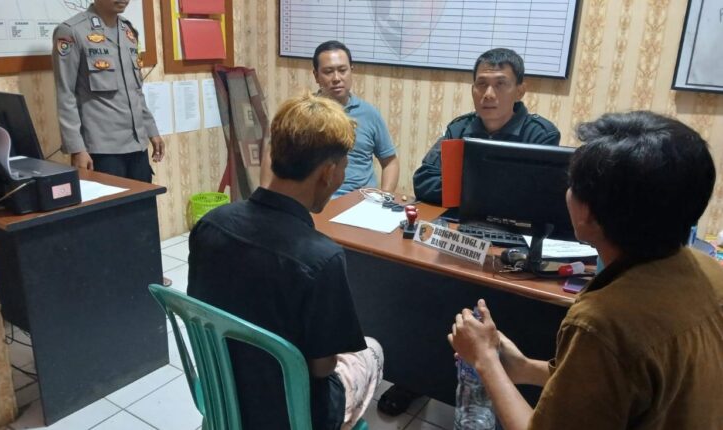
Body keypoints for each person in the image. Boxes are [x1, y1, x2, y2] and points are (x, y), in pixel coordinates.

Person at [448, 111, 723, 429]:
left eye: (571, 185)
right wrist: (523, 367)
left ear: (587, 213)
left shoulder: (604, 323)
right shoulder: (710, 271)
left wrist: (484, 360)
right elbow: (619, 383)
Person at [187, 92, 384, 429]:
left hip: (220, 392)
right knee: (372, 349)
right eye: (344, 167)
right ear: (328, 173)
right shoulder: (322, 259)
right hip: (293, 416)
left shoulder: (209, 224)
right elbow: (323, 368)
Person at [53, 0, 171, 286]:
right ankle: (113, 284)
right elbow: (65, 94)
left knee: (141, 216)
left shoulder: (128, 32)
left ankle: (146, 274)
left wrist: (151, 130)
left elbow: (136, 91)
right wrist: (77, 148)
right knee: (107, 222)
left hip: (135, 145)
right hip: (101, 150)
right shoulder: (71, 32)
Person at [412, 48, 560, 204]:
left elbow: (540, 198)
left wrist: (467, 189)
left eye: (500, 84)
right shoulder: (458, 129)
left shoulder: (540, 135)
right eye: (482, 84)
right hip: (459, 218)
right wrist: (492, 190)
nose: (488, 94)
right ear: (473, 90)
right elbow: (424, 180)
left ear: (520, 91)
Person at [261, 40, 399, 197]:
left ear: (351, 71)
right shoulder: (301, 114)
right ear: (316, 75)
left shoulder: (370, 114)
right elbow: (272, 153)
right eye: (328, 72)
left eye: (342, 70)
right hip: (313, 200)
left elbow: (390, 162)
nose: (336, 78)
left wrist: (384, 197)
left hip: (361, 200)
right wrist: (266, 197)